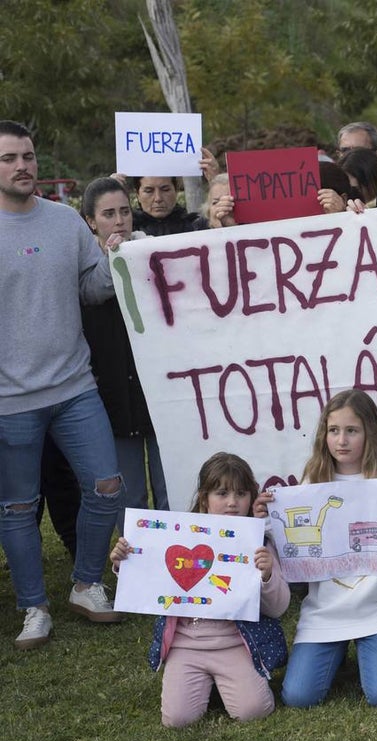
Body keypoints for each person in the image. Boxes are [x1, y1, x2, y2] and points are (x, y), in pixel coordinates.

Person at [0, 120, 124, 649]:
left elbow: (93, 289)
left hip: (75, 386)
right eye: (9, 158)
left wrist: (117, 257)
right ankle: (33, 608)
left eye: (28, 155)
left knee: (107, 485)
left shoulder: (67, 222)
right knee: (18, 508)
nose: (23, 166)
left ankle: (87, 582)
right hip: (10, 401)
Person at [255, 389, 377, 708]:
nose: (342, 440)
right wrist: (262, 517)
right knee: (298, 697)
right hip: (324, 613)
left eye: (352, 431)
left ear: (370, 433)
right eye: (334, 430)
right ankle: (334, 652)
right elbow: (286, 535)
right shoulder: (313, 481)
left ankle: (369, 648)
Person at [110, 453, 288, 728]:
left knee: (253, 710)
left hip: (236, 646)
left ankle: (225, 682)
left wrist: (266, 575)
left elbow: (278, 607)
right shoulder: (175, 536)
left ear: (251, 498)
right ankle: (209, 683)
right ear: (205, 499)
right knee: (177, 720)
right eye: (222, 493)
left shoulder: (258, 544)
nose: (232, 502)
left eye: (241, 494)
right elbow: (149, 576)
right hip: (185, 646)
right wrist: (125, 562)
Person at [80, 178, 168, 525]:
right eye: (108, 214)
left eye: (125, 212)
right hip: (114, 396)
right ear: (90, 221)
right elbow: (91, 294)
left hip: (159, 393)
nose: (119, 221)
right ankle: (138, 565)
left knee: (171, 487)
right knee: (129, 497)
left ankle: (178, 555)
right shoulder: (82, 267)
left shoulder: (155, 252)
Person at [130, 176, 208, 236]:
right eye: (149, 191)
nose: (158, 198)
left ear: (176, 190)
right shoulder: (127, 231)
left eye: (165, 190)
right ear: (138, 194)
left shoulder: (196, 227)